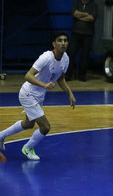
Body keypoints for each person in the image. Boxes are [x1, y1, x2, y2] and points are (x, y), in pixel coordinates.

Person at [0, 32, 76, 160]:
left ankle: (1, 136)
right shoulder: (46, 57)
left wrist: (70, 93)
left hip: (39, 95)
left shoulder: (66, 58)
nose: (63, 43)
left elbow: (61, 79)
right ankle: (28, 148)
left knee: (29, 124)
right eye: (59, 40)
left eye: (65, 40)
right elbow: (28, 75)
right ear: (54, 44)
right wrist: (44, 85)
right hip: (28, 93)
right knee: (45, 126)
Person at [66, 0, 97, 81]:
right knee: (71, 54)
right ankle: (68, 75)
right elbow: (74, 13)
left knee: (85, 56)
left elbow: (92, 18)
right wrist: (86, 14)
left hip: (88, 35)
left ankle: (81, 76)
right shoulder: (76, 2)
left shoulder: (94, 5)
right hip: (75, 33)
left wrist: (79, 16)